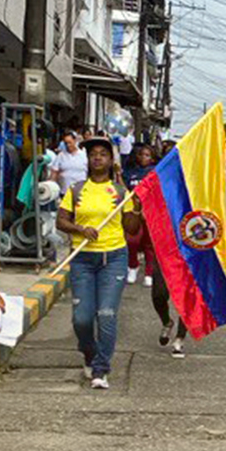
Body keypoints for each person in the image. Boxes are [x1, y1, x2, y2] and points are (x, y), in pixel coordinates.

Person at [55, 133, 141, 389]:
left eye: (102, 154)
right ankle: (89, 353)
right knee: (81, 318)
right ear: (88, 160)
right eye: (93, 155)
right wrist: (80, 229)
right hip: (82, 259)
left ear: (111, 159)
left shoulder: (120, 191)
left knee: (106, 314)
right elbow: (61, 221)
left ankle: (101, 369)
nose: (97, 159)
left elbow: (132, 229)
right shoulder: (76, 189)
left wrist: (135, 207)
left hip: (113, 258)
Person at [124, 142, 158, 284]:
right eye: (141, 154)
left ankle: (149, 273)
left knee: (148, 244)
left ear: (152, 158)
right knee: (132, 241)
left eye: (147, 155)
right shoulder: (131, 172)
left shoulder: (155, 172)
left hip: (150, 212)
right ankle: (133, 266)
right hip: (133, 212)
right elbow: (124, 189)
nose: (144, 157)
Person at [50, 129, 87, 200]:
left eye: (70, 142)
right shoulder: (61, 156)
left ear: (75, 141)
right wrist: (51, 187)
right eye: (66, 143)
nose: (68, 145)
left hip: (81, 193)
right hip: (64, 193)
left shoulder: (84, 155)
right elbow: (54, 172)